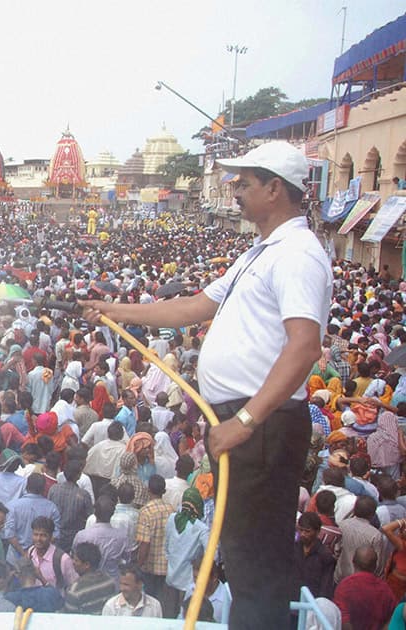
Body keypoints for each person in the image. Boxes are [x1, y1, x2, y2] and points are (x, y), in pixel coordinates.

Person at [84, 141, 331, 629]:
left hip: (260, 424)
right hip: (246, 423)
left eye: (243, 183)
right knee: (243, 557)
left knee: (256, 565)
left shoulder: (299, 254)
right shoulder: (261, 252)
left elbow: (304, 347)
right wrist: (114, 311)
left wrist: (243, 421)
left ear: (274, 188)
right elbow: (194, 306)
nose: (234, 191)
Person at [165, 488, 210, 618]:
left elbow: (167, 546)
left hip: (171, 578)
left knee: (169, 618)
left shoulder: (172, 519)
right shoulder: (201, 528)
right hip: (188, 583)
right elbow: (211, 554)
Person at [136, 475, 176, 616]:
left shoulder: (145, 512)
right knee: (163, 605)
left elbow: (144, 543)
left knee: (150, 606)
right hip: (167, 567)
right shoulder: (171, 510)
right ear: (163, 491)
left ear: (148, 490)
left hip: (150, 567)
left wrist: (138, 564)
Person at [2, 473, 60, 565]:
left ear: (26, 487)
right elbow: (56, 534)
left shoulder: (12, 506)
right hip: (42, 560)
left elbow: (9, 534)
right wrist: (37, 551)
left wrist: (24, 554)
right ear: (43, 489)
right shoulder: (52, 507)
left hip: (15, 560)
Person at [333, 547, 397, 630]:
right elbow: (393, 617)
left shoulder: (344, 587)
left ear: (353, 561)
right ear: (375, 566)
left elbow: (344, 621)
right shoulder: (385, 589)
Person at [71, 495, 128, 581]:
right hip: (112, 583)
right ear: (113, 513)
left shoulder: (82, 535)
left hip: (87, 583)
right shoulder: (122, 537)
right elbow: (126, 559)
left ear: (94, 511)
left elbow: (74, 556)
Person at [63, 541, 119, 615]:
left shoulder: (75, 589)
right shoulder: (110, 581)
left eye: (76, 560)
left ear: (86, 565)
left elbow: (70, 617)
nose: (73, 562)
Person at [26, 516, 76, 591]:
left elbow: (73, 587)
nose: (38, 539)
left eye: (43, 535)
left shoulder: (63, 559)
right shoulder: (31, 552)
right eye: (35, 534)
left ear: (51, 537)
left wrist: (42, 579)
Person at [295, 511, 336, 600]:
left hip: (312, 602)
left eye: (307, 531)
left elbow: (325, 587)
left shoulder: (325, 556)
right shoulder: (293, 549)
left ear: (317, 531)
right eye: (301, 530)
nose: (303, 534)